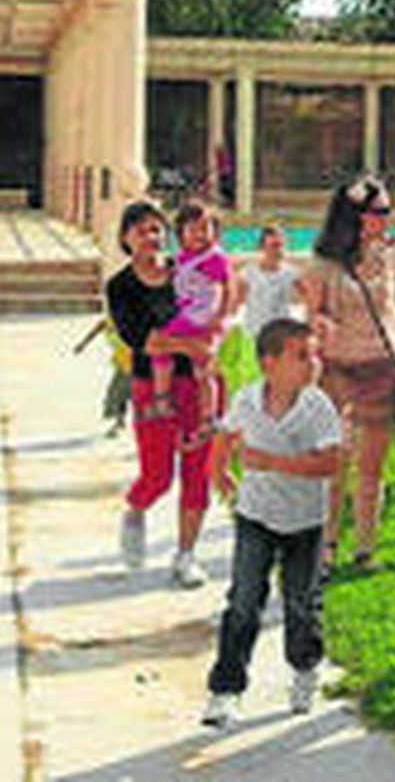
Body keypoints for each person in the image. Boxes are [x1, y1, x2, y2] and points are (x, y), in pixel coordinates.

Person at [201, 318, 342, 730]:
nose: (312, 363)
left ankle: (303, 669)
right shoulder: (246, 400)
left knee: (300, 601)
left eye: (314, 354)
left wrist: (271, 463)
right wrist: (219, 471)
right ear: (269, 362)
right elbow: (225, 434)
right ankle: (225, 691)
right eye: (301, 355)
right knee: (244, 601)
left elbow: (330, 463)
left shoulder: (317, 407)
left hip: (304, 523)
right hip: (256, 516)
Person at [298, 177, 395, 576]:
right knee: (337, 462)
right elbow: (311, 317)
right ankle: (328, 546)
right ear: (355, 216)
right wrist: (318, 326)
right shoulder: (323, 264)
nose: (388, 219)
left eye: (389, 210)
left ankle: (366, 547)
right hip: (337, 371)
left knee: (372, 466)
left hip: (383, 369)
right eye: (380, 212)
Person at [107, 201, 221, 588]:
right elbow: (147, 342)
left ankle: (186, 555)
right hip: (151, 389)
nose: (151, 237)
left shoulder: (185, 271)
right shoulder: (120, 287)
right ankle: (136, 508)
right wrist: (192, 347)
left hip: (197, 386)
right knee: (157, 475)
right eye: (141, 230)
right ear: (125, 238)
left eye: (156, 229)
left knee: (197, 473)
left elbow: (213, 308)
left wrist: (211, 344)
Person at [153, 201, 231, 426]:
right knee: (201, 369)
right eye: (193, 229)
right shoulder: (182, 258)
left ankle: (163, 399)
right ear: (181, 233)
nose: (200, 234)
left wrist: (220, 318)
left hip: (201, 319)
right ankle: (206, 416)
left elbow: (228, 289)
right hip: (189, 317)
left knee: (161, 345)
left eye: (206, 228)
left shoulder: (214, 258)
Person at [218, 224, 302, 395]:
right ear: (262, 247)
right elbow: (235, 303)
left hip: (280, 335)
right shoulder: (248, 273)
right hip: (254, 333)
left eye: (280, 246)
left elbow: (309, 297)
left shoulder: (291, 273)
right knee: (253, 380)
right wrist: (224, 324)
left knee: (279, 380)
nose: (277, 251)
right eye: (273, 246)